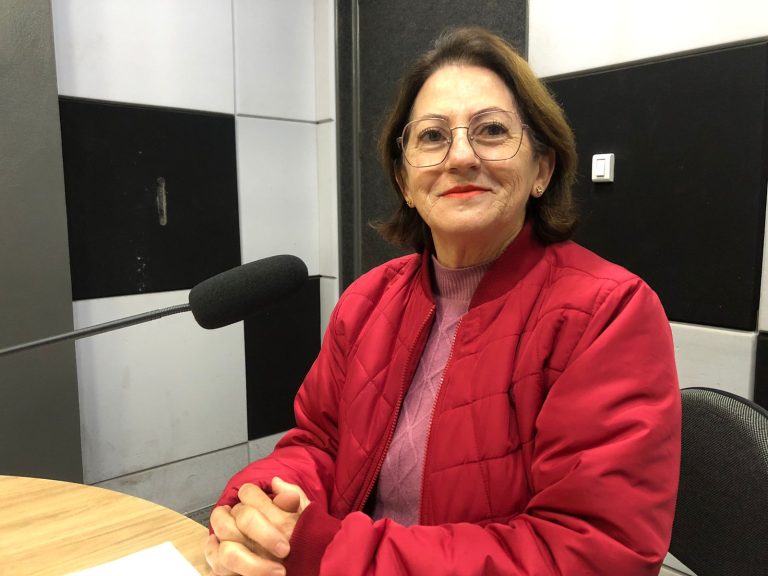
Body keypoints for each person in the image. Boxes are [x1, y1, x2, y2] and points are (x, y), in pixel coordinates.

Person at [204, 26, 681, 576]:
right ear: (405, 181)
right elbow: (319, 443)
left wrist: (331, 553)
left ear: (542, 170)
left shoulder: (608, 315)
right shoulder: (367, 301)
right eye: (432, 136)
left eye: (492, 130)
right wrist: (257, 507)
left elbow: (593, 553)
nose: (460, 156)